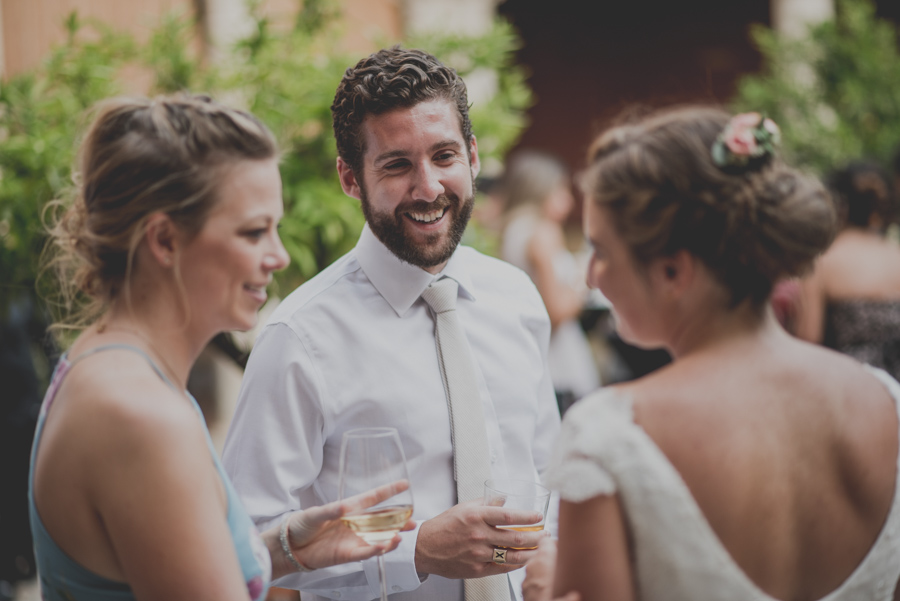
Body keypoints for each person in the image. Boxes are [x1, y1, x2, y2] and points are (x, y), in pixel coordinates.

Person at [29, 93, 412, 601]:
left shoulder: (107, 365)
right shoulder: (140, 416)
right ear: (165, 240)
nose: (277, 256)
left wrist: (282, 548)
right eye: (255, 232)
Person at [222, 46, 561, 601]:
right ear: (350, 179)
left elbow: (547, 473)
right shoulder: (300, 339)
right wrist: (416, 551)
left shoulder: (517, 298)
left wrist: (555, 562)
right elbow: (244, 546)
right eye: (397, 165)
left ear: (473, 157)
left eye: (444, 155)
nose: (428, 188)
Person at [523, 107, 900, 601]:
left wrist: (549, 589)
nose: (591, 276)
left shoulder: (611, 434)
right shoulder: (886, 401)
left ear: (674, 272)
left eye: (602, 251)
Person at [498, 150, 600, 411]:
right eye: (561, 192)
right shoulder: (543, 232)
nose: (568, 202)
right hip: (557, 366)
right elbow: (555, 311)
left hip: (529, 360)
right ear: (540, 191)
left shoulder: (511, 229)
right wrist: (584, 279)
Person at [794, 161, 900, 380]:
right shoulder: (896, 255)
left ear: (837, 207)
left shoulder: (821, 264)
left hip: (851, 387)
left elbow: (809, 338)